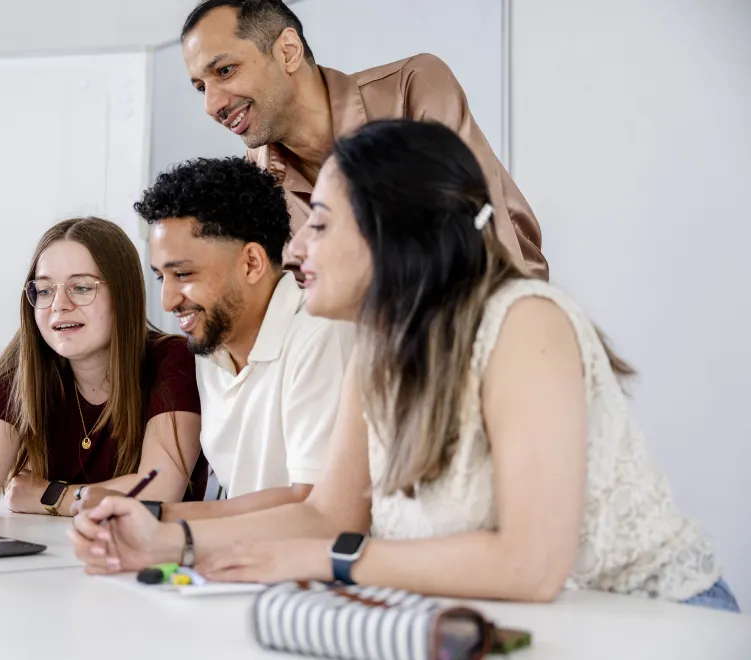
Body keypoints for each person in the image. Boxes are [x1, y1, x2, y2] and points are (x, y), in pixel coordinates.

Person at [67, 120, 739, 613]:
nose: (294, 251)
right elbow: (326, 515)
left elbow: (530, 566)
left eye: (319, 224)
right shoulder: (376, 345)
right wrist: (165, 542)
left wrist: (312, 560)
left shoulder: (523, 321)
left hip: (649, 622)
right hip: (511, 625)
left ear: (391, 230)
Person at [179, 0, 548, 280]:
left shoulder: (411, 90)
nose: (212, 106)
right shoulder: (255, 176)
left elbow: (486, 243)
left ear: (287, 51)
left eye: (225, 70)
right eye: (200, 88)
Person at [71, 156, 352, 522]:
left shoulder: (321, 334)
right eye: (161, 278)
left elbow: (311, 502)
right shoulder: (210, 349)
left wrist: (159, 517)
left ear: (251, 263)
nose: (167, 301)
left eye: (183, 274)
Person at [0, 217, 207, 535]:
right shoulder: (25, 365)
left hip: (151, 555)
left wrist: (49, 495)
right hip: (51, 555)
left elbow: (157, 492)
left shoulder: (173, 360)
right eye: (44, 290)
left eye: (81, 288)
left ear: (123, 295)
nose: (58, 305)